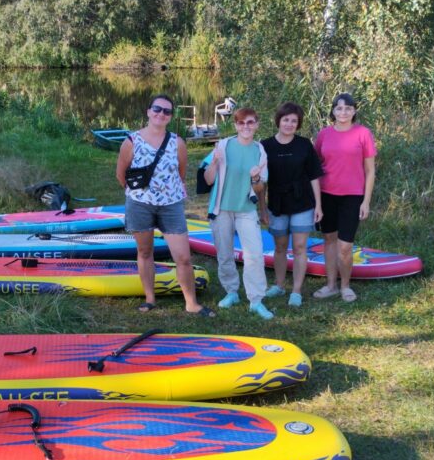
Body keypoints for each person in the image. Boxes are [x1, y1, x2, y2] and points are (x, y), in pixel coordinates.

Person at [116, 94, 214, 316]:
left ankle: (191, 303)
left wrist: (167, 193)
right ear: (149, 111)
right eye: (157, 109)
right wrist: (137, 194)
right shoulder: (131, 142)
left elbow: (180, 174)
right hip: (140, 205)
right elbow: (121, 174)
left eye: (167, 111)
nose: (161, 114)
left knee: (183, 257)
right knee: (145, 251)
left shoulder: (177, 142)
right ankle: (150, 298)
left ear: (170, 116)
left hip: (171, 206)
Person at [202, 107, 273, 319]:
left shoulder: (260, 151)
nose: (246, 127)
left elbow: (260, 189)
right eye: (241, 123)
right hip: (221, 209)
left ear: (257, 124)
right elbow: (208, 180)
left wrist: (255, 179)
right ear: (235, 125)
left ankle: (256, 300)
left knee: (254, 255)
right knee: (224, 253)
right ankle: (231, 292)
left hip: (246, 210)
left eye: (250, 122)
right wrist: (214, 161)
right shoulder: (223, 146)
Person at [313, 93, 377, 302]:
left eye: (348, 108)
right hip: (326, 195)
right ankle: (331, 285)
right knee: (329, 240)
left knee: (345, 246)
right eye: (339, 108)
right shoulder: (324, 134)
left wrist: (366, 201)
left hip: (353, 196)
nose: (343, 112)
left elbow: (370, 171)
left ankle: (345, 287)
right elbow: (315, 166)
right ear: (332, 111)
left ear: (354, 111)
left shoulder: (363, 134)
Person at [261, 102, 324, 308]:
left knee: (299, 247)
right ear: (278, 120)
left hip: (303, 202)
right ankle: (279, 285)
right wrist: (263, 208)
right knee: (279, 247)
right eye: (286, 119)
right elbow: (260, 181)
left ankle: (296, 291)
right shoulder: (265, 146)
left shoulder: (305, 145)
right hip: (277, 203)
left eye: (294, 121)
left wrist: (319, 206)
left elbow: (314, 176)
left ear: (298, 124)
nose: (289, 124)